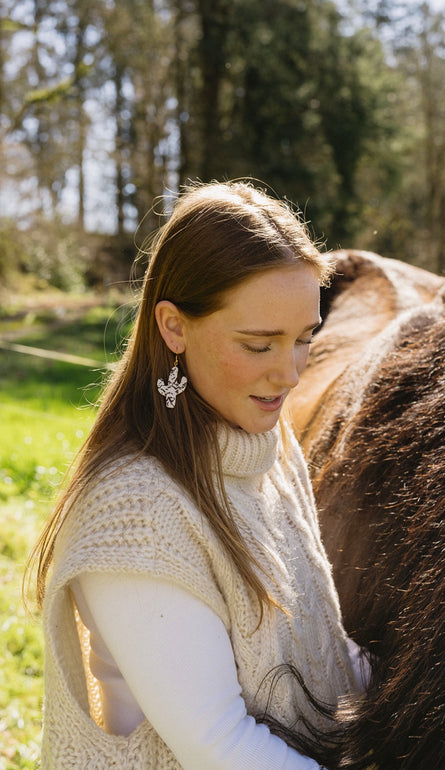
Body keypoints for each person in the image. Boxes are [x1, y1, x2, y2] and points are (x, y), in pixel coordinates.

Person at [29, 180, 364, 769]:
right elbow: (220, 747)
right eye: (259, 345)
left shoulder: (269, 443)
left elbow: (326, 645)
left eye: (304, 339)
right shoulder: (137, 513)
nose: (290, 374)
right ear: (174, 327)